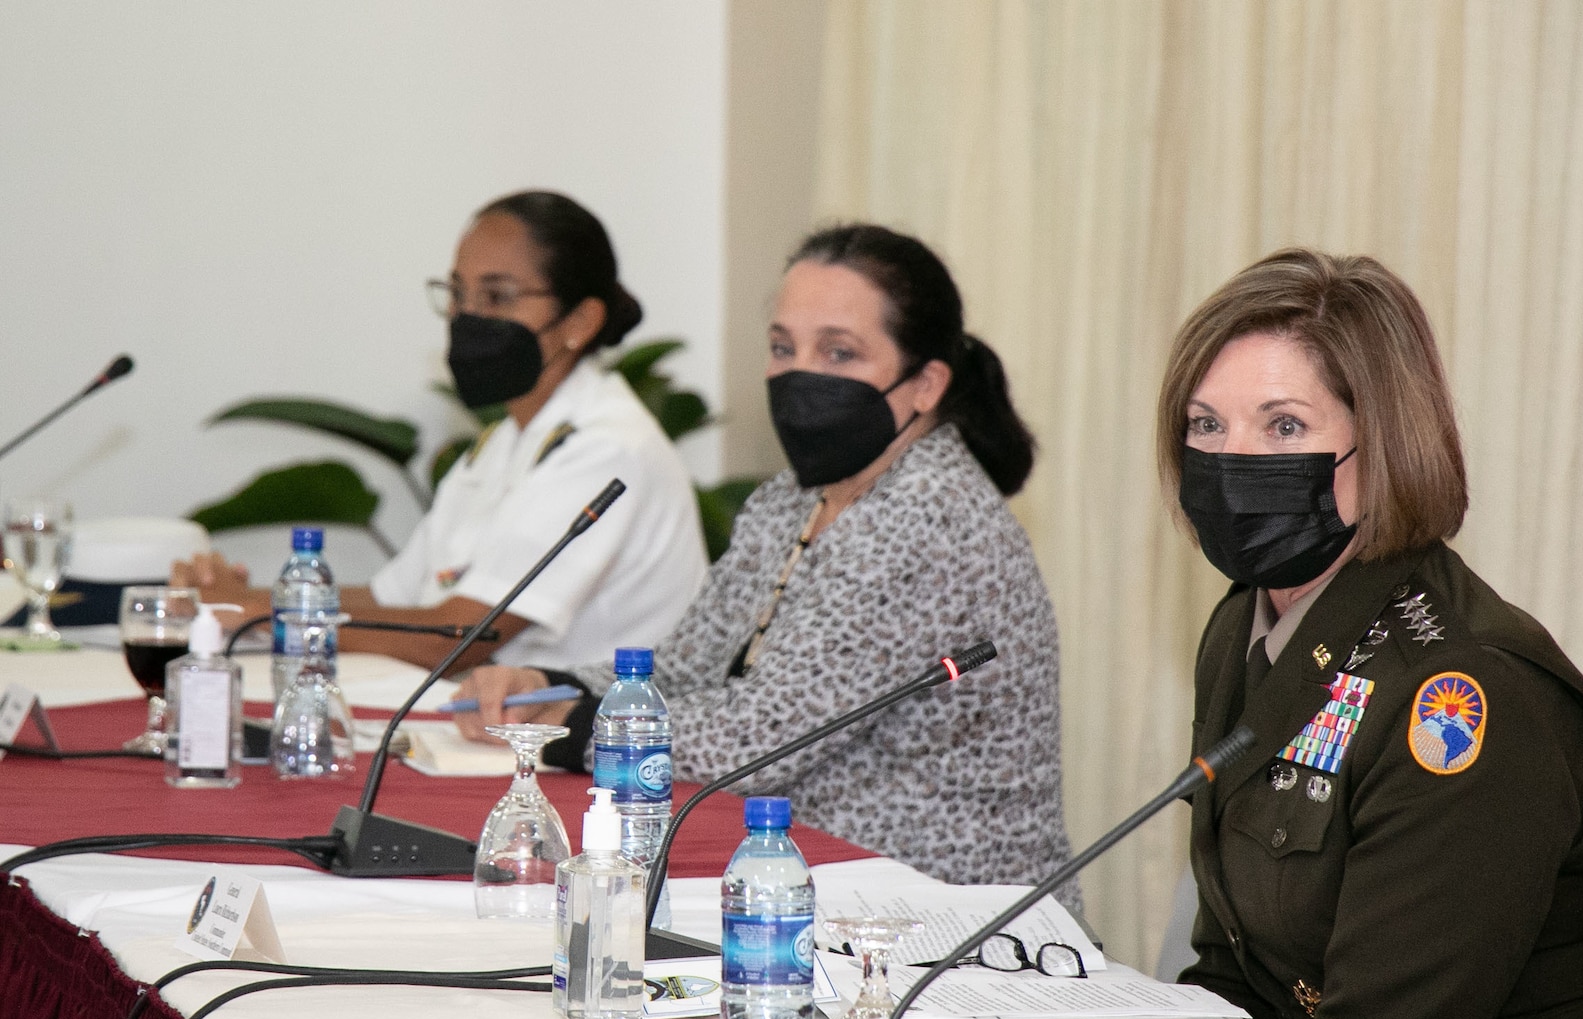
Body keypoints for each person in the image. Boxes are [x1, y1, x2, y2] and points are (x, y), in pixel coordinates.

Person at [457, 223, 1075, 897]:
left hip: (941, 915)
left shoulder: (930, 517)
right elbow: (689, 666)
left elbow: (760, 738)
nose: (799, 374)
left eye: (839, 352)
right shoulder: (793, 498)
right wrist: (548, 684)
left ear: (925, 384)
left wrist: (568, 729)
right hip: (811, 879)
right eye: (784, 348)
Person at [1160, 248, 1583, 1019]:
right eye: (1206, 425)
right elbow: (1234, 973)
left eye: (1285, 426)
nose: (1232, 463)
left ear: (1384, 447)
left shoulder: (1466, 692)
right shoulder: (1244, 626)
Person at [174, 191, 708, 673]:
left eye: (497, 296)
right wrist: (252, 601)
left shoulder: (607, 446)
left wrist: (270, 615)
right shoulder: (503, 443)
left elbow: (459, 636)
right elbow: (392, 600)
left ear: (580, 322)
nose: (466, 316)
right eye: (456, 293)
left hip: (598, 752)